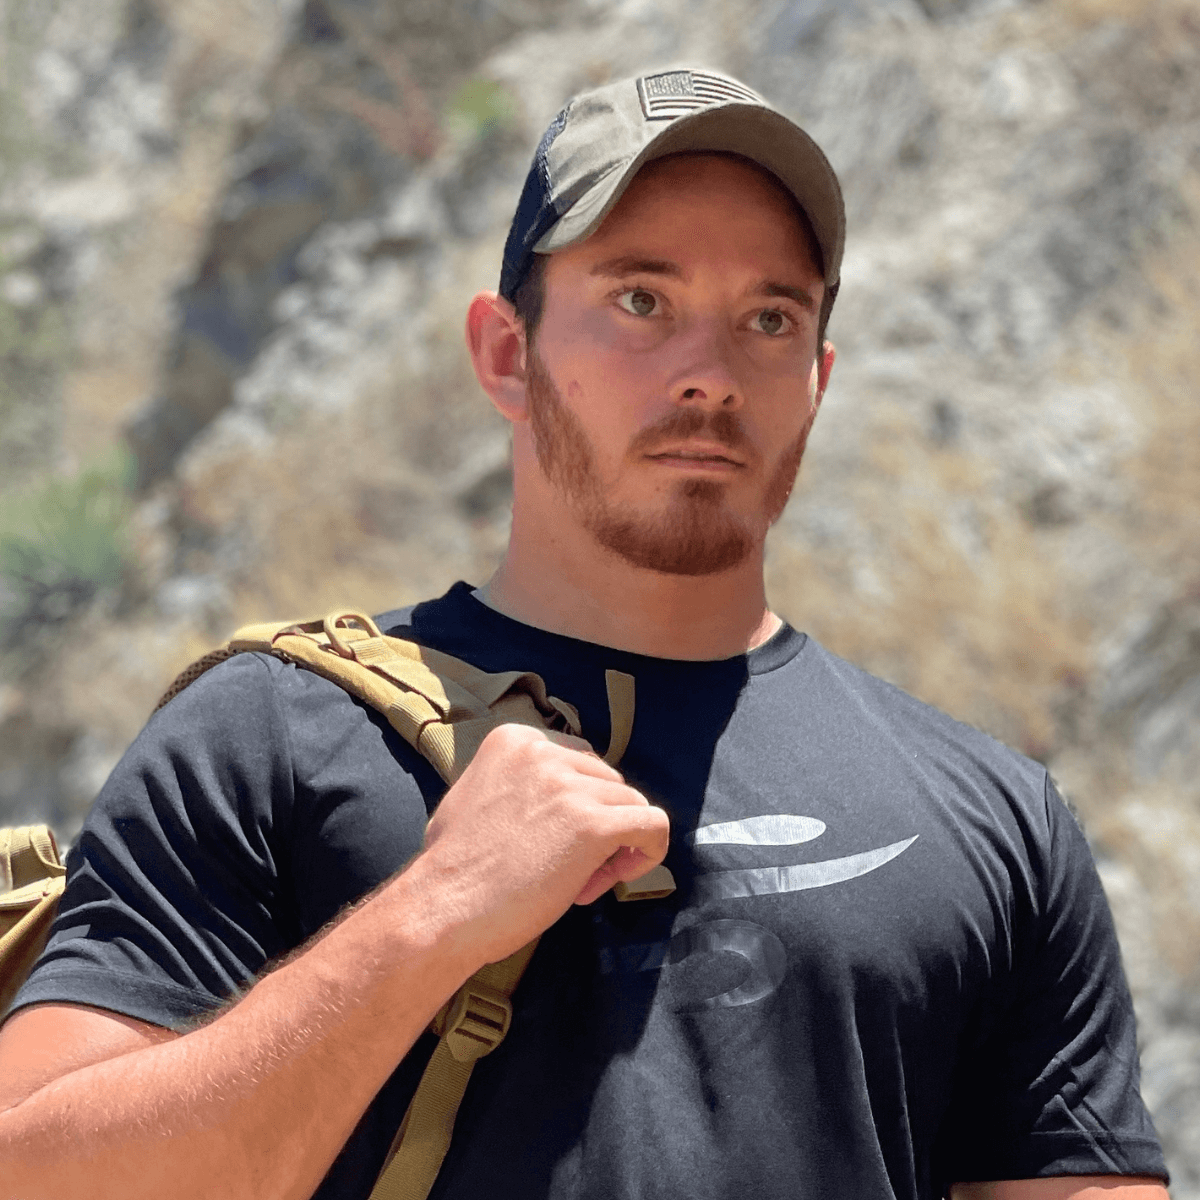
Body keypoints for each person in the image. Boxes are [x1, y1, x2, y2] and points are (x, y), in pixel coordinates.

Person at [0, 68, 1171, 1200]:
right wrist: (431, 913)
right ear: (507, 355)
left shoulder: (993, 816)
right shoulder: (272, 734)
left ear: (816, 379)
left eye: (769, 317)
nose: (709, 375)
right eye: (640, 301)